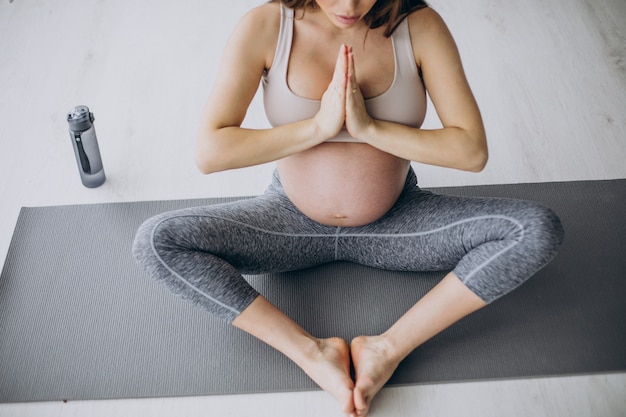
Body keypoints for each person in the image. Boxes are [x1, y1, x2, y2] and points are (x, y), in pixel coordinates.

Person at [132, 1, 564, 415]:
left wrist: (368, 127)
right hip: (287, 224)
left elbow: (471, 151)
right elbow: (211, 152)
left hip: (398, 224)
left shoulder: (420, 26)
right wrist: (319, 127)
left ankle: (386, 349)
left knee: (535, 230)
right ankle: (311, 352)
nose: (350, 5)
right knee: (157, 241)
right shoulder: (266, 26)